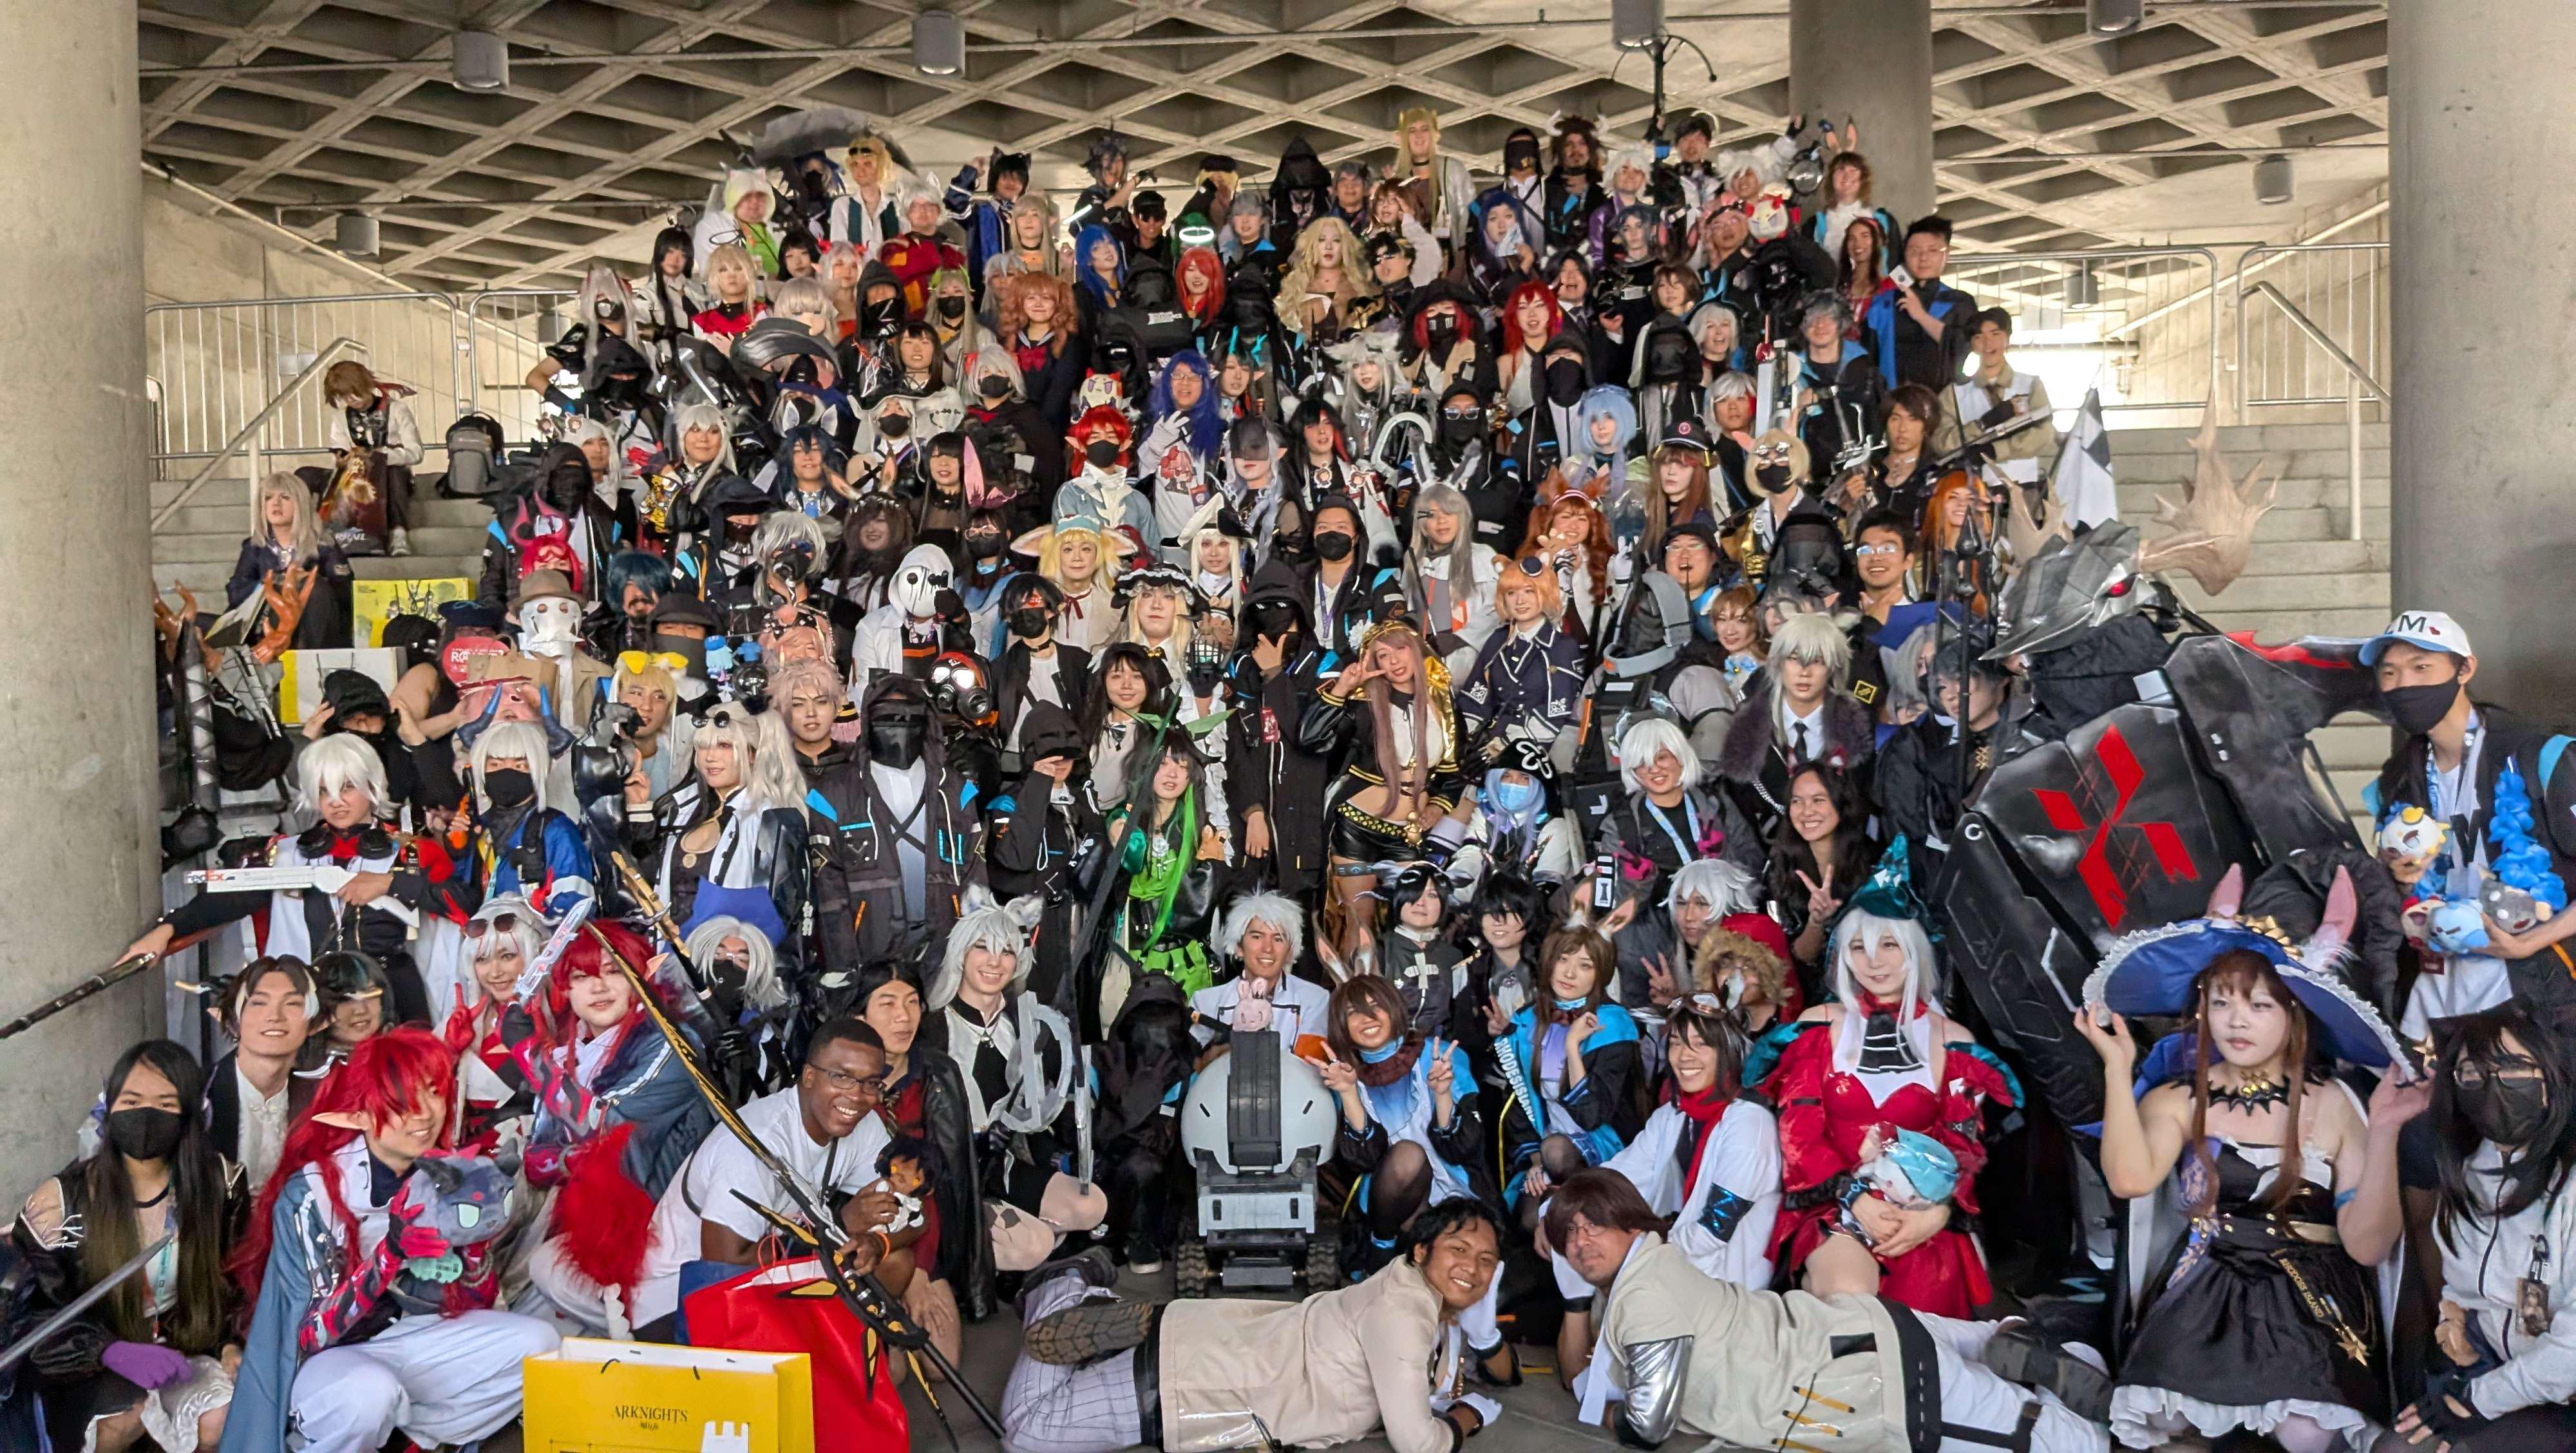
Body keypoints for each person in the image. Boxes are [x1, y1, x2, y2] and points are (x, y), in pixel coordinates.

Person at [2074, 866, 2423, 1452]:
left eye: (2260, 1005)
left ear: (2296, 1012)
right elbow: (2130, 1180)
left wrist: (2385, 1129)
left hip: (2311, 1297)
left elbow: (2368, 1247)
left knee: (2308, 1433)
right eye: (2221, 1002)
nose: (2237, 1020)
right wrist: (2116, 1067)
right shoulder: (2178, 1098)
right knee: (2172, 1426)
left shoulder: (2336, 1104)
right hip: (2203, 1287)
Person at [1555, 1168, 2112, 1453]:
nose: (1580, 1243)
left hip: (1872, 1380)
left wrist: (1613, 1417)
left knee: (2066, 1445)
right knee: (1996, 1353)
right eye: (1568, 1236)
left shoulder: (1643, 1296)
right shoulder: (1660, 1264)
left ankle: (2107, 1408)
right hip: (1857, 1327)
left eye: (1593, 1226)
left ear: (1631, 1224)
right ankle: (2041, 1337)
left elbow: (1647, 1423)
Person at [224, 1028, 560, 1453]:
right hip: (329, 1364)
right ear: (361, 1114)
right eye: (402, 1101)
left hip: (412, 1339)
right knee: (370, 1394)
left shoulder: (448, 1175)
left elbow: (469, 1305)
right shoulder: (314, 1194)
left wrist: (475, 1248)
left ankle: (409, 1441)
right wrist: (390, 1254)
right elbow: (311, 1336)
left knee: (540, 1346)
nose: (424, 1114)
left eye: (434, 1092)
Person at [1001, 1198, 1508, 1453]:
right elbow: (1418, 1444)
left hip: (1212, 1348)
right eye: (1459, 1249)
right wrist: (1465, 1420)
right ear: (1421, 1251)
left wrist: (1483, 1330)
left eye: (1486, 1261)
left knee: (1054, 1401)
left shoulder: (1413, 1295)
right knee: (1028, 1431)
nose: (1472, 1267)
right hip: (1193, 1384)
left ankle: (1094, 1309)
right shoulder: (1404, 1313)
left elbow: (1501, 1374)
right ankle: (1064, 1286)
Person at [1760, 852, 2017, 1319]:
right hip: (1831, 1206)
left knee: (1928, 1321)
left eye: (1889, 946)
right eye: (1859, 947)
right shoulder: (1817, 1027)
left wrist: (1938, 1212)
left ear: (1914, 951)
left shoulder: (1954, 1042)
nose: (1874, 962)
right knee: (1852, 1306)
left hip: (1922, 1211)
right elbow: (1798, 1137)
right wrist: (1853, 1196)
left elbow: (1963, 1147)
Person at [1536, 998, 1779, 1387]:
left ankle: (1599, 1379)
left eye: (1701, 1044)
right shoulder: (1673, 1116)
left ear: (1727, 1052)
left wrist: (1636, 1257)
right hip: (1673, 1269)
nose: (1685, 1056)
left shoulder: (1749, 1124)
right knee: (1576, 1227)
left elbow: (1712, 1232)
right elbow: (1617, 1177)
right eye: (1677, 1043)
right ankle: (1583, 1360)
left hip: (1724, 1292)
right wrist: (1556, 1212)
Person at [128, 734, 449, 1028]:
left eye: (347, 787)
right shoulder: (284, 853)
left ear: (372, 786)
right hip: (306, 999)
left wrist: (391, 884)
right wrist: (167, 930)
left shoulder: (413, 853)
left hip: (389, 998)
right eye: (324, 791)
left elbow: (462, 907)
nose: (335, 801)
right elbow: (230, 901)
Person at [15, 1041, 243, 1453]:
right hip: (88, 1366)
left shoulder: (220, 1185)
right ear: (109, 1108)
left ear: (191, 1113)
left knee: (222, 1414)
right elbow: (28, 1319)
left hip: (184, 1351)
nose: (146, 1116)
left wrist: (230, 1344)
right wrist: (108, 1351)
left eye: (166, 1104)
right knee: (125, 1413)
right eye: (132, 1101)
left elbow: (237, 1277)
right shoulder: (58, 1202)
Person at [627, 1017, 902, 1340]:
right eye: (841, 1078)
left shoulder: (862, 1124)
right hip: (680, 1299)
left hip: (771, 1276)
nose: (856, 1095)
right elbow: (724, 1266)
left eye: (871, 1083)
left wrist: (878, 1241)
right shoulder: (755, 1143)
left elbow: (912, 1212)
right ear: (809, 1076)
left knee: (894, 1261)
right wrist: (840, 1227)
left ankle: (844, 1352)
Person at [2362, 610, 2576, 1021]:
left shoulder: (2539, 756)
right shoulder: (2396, 782)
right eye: (2389, 673)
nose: (2404, 684)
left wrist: (2530, 942)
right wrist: (2398, 879)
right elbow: (2390, 896)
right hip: (2437, 991)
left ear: (2465, 669)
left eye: (2421, 667)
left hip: (2538, 995)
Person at [2402, 1002, 2576, 1451]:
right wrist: (2456, 1330)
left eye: (2514, 1069)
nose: (2493, 1086)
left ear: (2551, 1077)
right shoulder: (2470, 1171)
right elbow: (2468, 1290)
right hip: (2499, 1375)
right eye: (2473, 1075)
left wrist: (2480, 1400)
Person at [1497, 927, 1643, 1229]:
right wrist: (1536, 1162)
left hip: (1603, 1145)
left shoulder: (1614, 1025)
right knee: (1530, 1219)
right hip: (1547, 1145)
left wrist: (1572, 1047)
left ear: (1601, 975)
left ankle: (1589, 1221)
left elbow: (1591, 1116)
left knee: (1557, 1156)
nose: (1570, 973)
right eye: (1563, 960)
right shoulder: (1527, 1020)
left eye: (1585, 965)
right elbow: (1519, 1103)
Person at [1716, 611, 1877, 837]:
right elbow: (1742, 798)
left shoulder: (1856, 727)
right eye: (1793, 658)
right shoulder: (1749, 725)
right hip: (1775, 843)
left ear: (1833, 668)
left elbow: (1862, 795)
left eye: (1818, 661)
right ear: (1778, 663)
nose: (1804, 672)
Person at [204, 958, 324, 1190]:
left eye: (292, 1003)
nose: (274, 1016)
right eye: (259, 1003)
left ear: (315, 1023)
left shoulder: (319, 1102)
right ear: (234, 1021)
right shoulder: (201, 1096)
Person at [228, 471, 353, 651]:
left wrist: (305, 581)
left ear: (301, 505)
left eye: (285, 497)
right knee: (195, 623)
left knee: (313, 587)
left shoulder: (324, 546)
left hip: (315, 631)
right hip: (265, 627)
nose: (275, 503)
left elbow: (346, 594)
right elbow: (235, 594)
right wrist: (272, 582)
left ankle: (307, 660)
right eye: (268, 498)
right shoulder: (254, 548)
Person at [1193, 891, 1330, 1046]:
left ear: (1290, 951)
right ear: (1239, 946)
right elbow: (1196, 1060)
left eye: (1278, 939)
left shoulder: (1314, 999)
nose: (1268, 948)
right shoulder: (1205, 1002)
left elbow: (1310, 1058)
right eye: (1257, 937)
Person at [1942, 306, 2057, 484]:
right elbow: (1942, 443)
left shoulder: (2031, 385)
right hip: (1973, 489)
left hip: (2023, 487)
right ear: (1972, 345)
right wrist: (1979, 426)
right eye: (1978, 337)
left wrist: (1996, 450)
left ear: (2007, 338)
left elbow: (2044, 434)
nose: (1988, 343)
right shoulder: (1954, 393)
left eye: (1995, 334)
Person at [1862, 216, 1976, 392]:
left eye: (1933, 250)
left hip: (1943, 402)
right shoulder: (1883, 303)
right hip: (1892, 401)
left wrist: (1921, 316)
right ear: (1905, 255)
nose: (1923, 258)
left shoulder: (1960, 303)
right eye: (1915, 251)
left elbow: (1965, 349)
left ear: (1946, 254)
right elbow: (1867, 359)